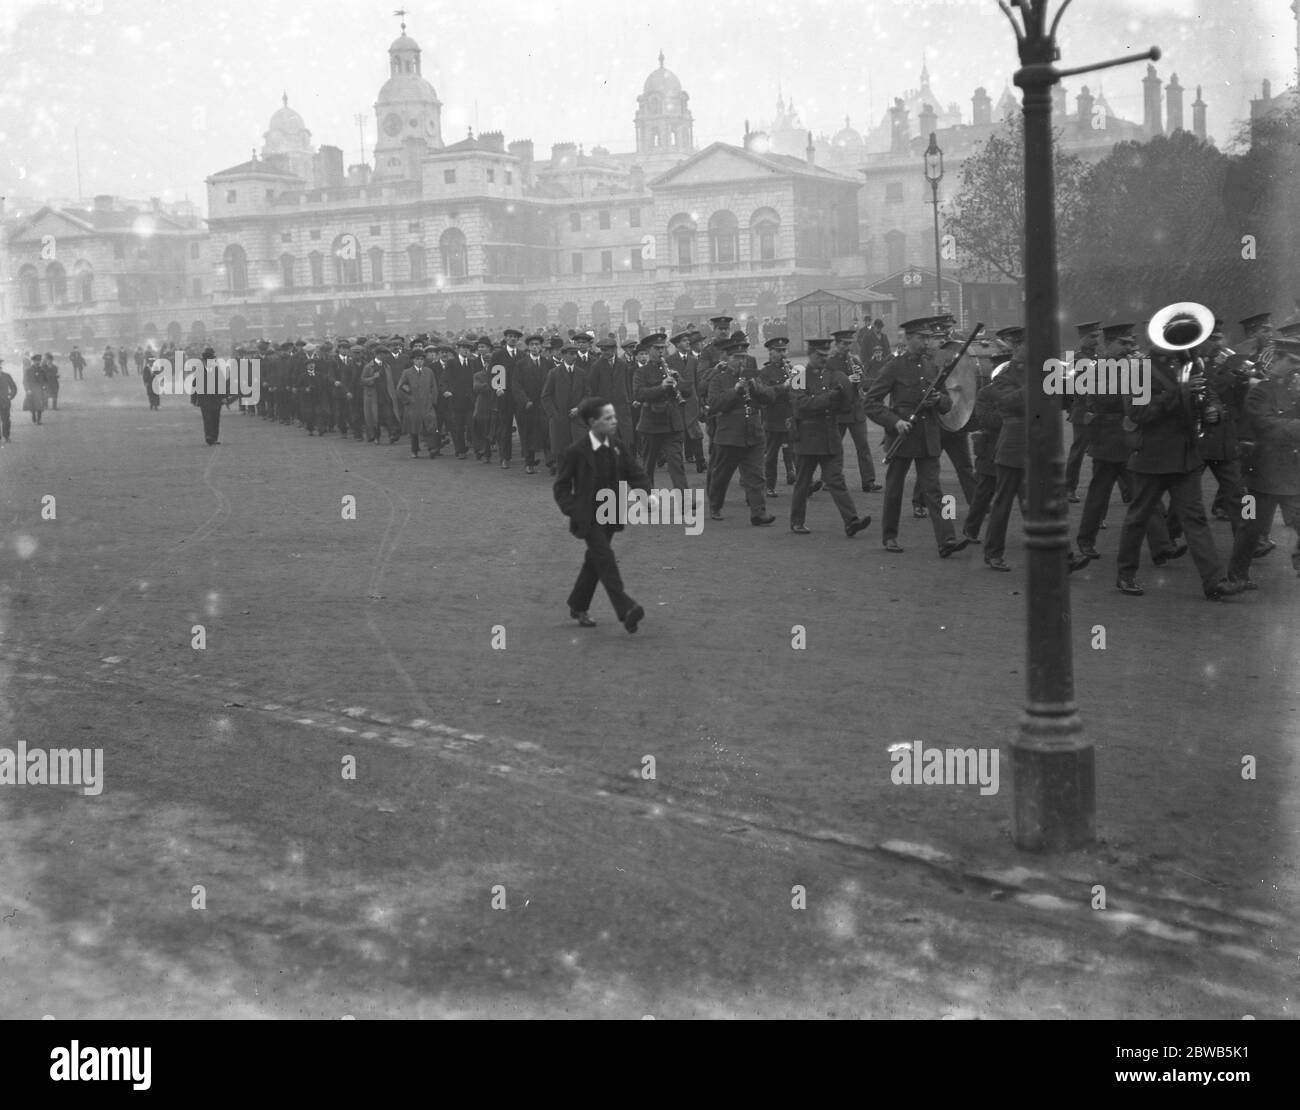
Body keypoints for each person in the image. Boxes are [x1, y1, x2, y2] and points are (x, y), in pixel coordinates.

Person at [1114, 336, 1243, 601]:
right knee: (1138, 517)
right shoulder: (1137, 369)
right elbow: (1138, 413)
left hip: (1185, 457)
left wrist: (1213, 411)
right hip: (1152, 457)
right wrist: (1180, 392)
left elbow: (1212, 398)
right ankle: (1125, 574)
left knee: (1195, 520)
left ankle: (1214, 582)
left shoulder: (1190, 365)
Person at [1075, 323, 1177, 564]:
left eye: (1131, 343)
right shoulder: (1097, 368)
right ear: (1108, 343)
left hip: (1131, 438)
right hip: (1107, 438)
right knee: (1099, 496)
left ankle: (1162, 546)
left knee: (1144, 493)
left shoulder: (1136, 367)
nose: (1129, 348)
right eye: (1123, 343)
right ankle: (1085, 541)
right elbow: (1104, 397)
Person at [862, 318, 965, 556]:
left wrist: (939, 400)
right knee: (894, 490)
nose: (926, 342)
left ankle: (947, 539)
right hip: (902, 437)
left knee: (934, 490)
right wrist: (894, 422)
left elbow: (947, 403)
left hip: (928, 438)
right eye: (921, 338)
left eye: (928, 337)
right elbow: (871, 402)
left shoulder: (932, 366)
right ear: (908, 339)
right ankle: (889, 536)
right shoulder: (894, 366)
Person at [552, 395, 649, 634]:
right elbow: (561, 488)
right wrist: (575, 510)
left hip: (611, 514)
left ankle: (578, 605)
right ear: (593, 422)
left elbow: (635, 472)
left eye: (614, 416)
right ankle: (626, 609)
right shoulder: (575, 452)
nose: (615, 421)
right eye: (608, 418)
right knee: (604, 557)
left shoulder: (617, 446)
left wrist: (646, 494)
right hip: (588, 517)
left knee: (595, 560)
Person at [1227, 337, 1300, 588]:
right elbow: (1265, 425)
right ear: (1278, 359)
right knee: (1249, 526)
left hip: (1291, 471)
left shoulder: (1294, 389)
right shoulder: (1259, 389)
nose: (1295, 367)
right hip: (1259, 473)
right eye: (1291, 361)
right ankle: (1237, 577)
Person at [788, 339, 872, 537]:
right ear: (810, 354)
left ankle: (851, 520)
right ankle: (797, 521)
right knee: (803, 482)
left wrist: (844, 395)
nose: (823, 359)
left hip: (829, 436)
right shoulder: (799, 374)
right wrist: (830, 398)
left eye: (826, 355)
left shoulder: (834, 376)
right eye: (819, 355)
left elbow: (845, 405)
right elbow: (800, 405)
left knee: (836, 480)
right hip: (808, 437)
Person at [706, 339, 776, 525]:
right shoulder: (718, 379)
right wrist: (734, 391)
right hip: (729, 435)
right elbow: (713, 404)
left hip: (753, 432)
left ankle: (758, 513)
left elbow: (770, 396)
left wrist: (755, 387)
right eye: (737, 357)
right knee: (722, 475)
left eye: (743, 357)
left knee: (756, 476)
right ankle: (715, 506)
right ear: (727, 358)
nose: (741, 361)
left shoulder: (753, 376)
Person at [632, 332, 690, 490]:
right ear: (649, 350)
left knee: (676, 464)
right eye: (657, 348)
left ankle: (684, 499)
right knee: (648, 466)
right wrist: (661, 387)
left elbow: (688, 392)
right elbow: (639, 394)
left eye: (663, 348)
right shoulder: (641, 372)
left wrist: (679, 381)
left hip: (672, 424)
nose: (661, 351)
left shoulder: (671, 369)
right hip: (651, 425)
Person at [828, 328, 880, 492]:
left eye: (850, 343)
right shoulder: (830, 363)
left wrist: (861, 378)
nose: (847, 347)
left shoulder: (855, 361)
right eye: (844, 344)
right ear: (836, 344)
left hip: (856, 410)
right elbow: (826, 386)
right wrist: (845, 380)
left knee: (863, 447)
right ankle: (830, 480)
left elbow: (864, 384)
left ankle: (869, 481)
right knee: (834, 447)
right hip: (839, 411)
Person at [1065, 321, 1102, 501]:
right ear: (1082, 338)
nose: (1096, 341)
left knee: (1107, 449)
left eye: (1097, 337)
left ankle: (1128, 490)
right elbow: (1076, 387)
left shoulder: (1097, 358)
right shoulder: (1076, 359)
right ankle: (1069, 488)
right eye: (1092, 337)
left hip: (1098, 410)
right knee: (1078, 452)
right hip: (1083, 411)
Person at [542, 342, 591, 475]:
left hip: (577, 418)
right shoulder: (554, 373)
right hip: (559, 418)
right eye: (570, 354)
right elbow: (546, 396)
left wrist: (579, 408)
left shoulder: (582, 373)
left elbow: (587, 395)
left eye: (575, 353)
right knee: (560, 446)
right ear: (563, 355)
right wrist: (554, 415)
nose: (574, 356)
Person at [758, 337, 797, 493]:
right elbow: (766, 394)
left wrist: (796, 384)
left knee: (796, 453)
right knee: (771, 456)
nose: (782, 354)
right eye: (779, 351)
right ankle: (770, 486)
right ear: (771, 352)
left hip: (790, 416)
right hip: (773, 417)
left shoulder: (793, 369)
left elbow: (801, 393)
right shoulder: (765, 372)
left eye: (784, 350)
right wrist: (784, 386)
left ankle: (804, 484)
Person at [513, 334, 550, 473]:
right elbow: (516, 385)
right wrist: (525, 401)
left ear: (541, 347)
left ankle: (550, 461)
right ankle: (529, 463)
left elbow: (551, 384)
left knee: (547, 432)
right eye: (532, 345)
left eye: (537, 344)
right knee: (528, 434)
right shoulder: (521, 364)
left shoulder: (547, 363)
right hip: (528, 406)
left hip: (544, 405)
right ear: (528, 347)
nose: (535, 347)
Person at [396, 344, 439, 458]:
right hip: (413, 405)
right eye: (417, 359)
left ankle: (431, 448)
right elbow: (400, 388)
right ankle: (414, 450)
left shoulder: (429, 371)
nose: (419, 362)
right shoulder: (407, 372)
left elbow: (433, 387)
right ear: (413, 360)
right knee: (414, 428)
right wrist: (408, 400)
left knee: (430, 425)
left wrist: (433, 400)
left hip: (427, 404)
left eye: (421, 359)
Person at [192, 346, 232, 445]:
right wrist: (224, 397)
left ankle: (212, 436)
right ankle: (210, 436)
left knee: (212, 418)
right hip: (211, 398)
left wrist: (194, 399)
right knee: (210, 418)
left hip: (211, 398)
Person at [23, 355, 47, 424]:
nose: (37, 362)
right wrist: (27, 389)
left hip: (39, 389)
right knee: (32, 405)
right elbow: (25, 381)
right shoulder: (28, 370)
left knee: (40, 404)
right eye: (36, 361)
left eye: (39, 361)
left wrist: (44, 386)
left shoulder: (42, 370)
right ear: (33, 361)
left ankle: (39, 419)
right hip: (31, 390)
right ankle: (33, 415)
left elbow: (46, 380)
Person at [0, 357, 17, 443]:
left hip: (4, 402)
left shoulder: (6, 376)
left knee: (6, 420)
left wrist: (11, 395)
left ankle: (6, 436)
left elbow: (13, 387)